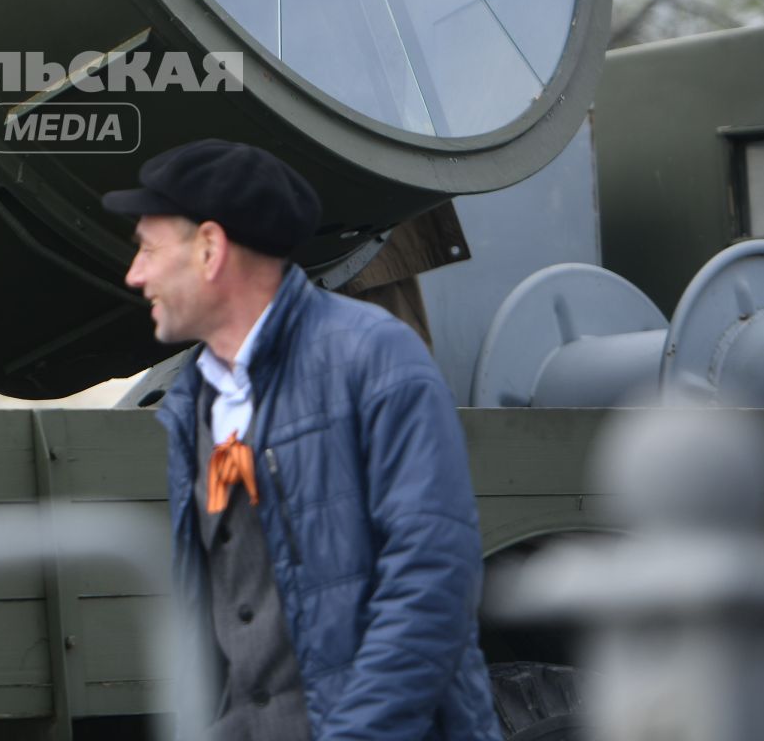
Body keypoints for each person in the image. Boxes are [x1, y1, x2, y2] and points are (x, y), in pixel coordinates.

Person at [104, 140, 500, 741]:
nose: (135, 275)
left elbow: (432, 582)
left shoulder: (374, 357)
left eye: (149, 250)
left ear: (210, 249)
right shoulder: (192, 406)